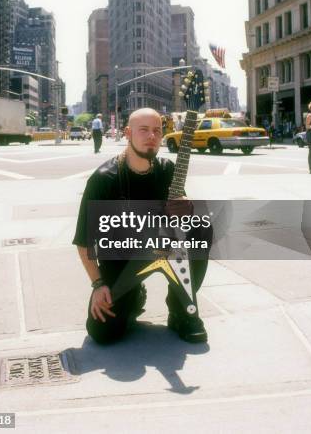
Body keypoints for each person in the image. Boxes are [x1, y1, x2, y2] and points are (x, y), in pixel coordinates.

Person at [73, 108, 210, 345]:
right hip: (122, 260)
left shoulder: (167, 170)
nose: (151, 137)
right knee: (102, 333)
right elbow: (84, 242)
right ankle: (133, 297)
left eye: (157, 131)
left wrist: (187, 210)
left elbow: (180, 225)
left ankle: (180, 310)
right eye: (144, 130)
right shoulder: (104, 179)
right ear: (128, 133)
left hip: (161, 250)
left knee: (201, 228)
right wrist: (98, 284)